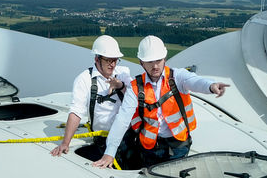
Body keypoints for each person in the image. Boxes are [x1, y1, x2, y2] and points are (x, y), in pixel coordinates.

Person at [93, 35, 229, 168]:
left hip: (178, 146)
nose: (155, 65)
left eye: (158, 60)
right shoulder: (135, 87)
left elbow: (194, 81)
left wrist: (211, 86)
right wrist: (110, 152)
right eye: (150, 61)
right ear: (141, 63)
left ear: (165, 59)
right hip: (150, 149)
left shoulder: (177, 77)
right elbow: (122, 118)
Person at [50, 35, 131, 160]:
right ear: (97, 59)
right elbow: (76, 112)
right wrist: (65, 143)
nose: (113, 64)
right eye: (108, 60)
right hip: (102, 140)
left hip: (127, 137)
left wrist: (120, 86)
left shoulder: (123, 73)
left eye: (115, 60)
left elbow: (136, 97)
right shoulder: (84, 80)